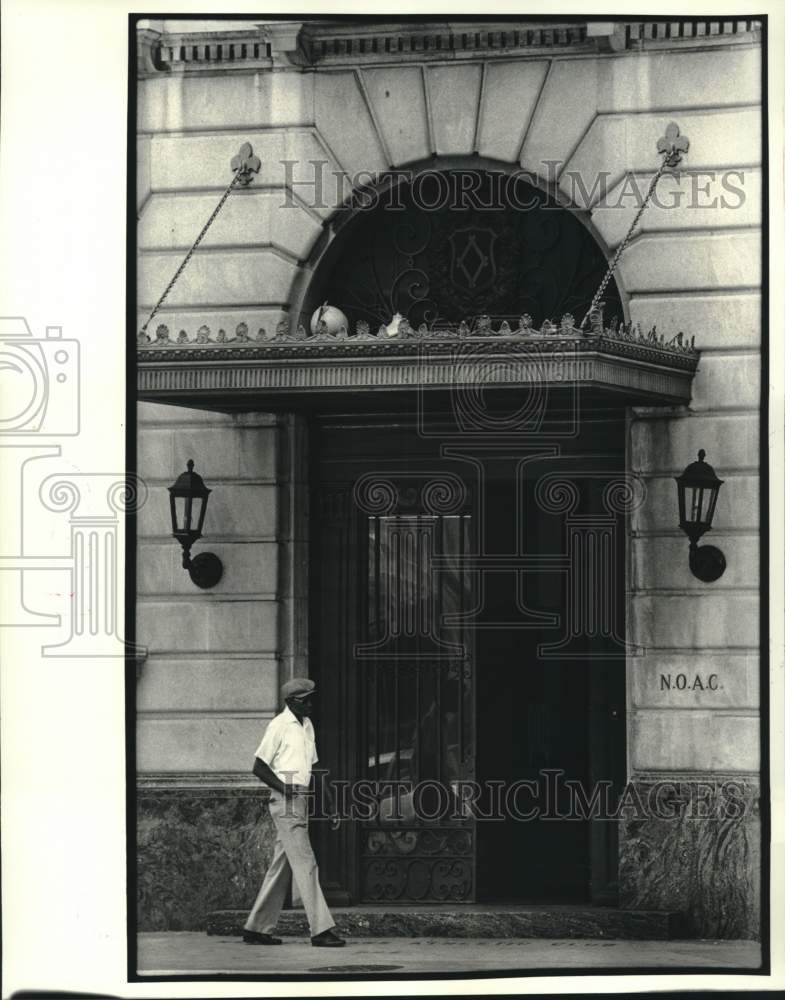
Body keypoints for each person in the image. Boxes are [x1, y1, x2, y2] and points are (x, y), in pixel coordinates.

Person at [243, 677, 346, 948]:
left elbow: (316, 769)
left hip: (300, 799)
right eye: (306, 700)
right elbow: (258, 766)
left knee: (282, 865)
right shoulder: (279, 726)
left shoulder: (307, 725)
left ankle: (256, 928)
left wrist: (332, 805)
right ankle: (321, 930)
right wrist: (283, 788)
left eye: (312, 699)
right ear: (291, 703)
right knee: (306, 862)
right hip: (286, 800)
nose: (311, 704)